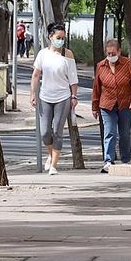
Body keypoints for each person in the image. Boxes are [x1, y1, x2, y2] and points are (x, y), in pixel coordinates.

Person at [29, 22, 78, 175]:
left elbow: (73, 79)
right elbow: (36, 75)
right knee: (45, 132)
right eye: (58, 37)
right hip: (45, 97)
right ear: (50, 37)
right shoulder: (43, 54)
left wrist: (74, 96)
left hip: (63, 97)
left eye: (63, 38)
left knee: (57, 130)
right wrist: (32, 94)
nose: (61, 41)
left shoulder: (67, 55)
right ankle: (51, 155)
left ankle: (54, 165)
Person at [91, 39, 131, 173]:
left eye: (113, 53)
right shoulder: (101, 66)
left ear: (119, 51)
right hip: (107, 104)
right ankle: (108, 160)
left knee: (125, 133)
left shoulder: (127, 63)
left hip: (125, 103)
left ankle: (126, 159)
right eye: (108, 53)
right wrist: (94, 106)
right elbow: (96, 87)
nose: (111, 56)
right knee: (110, 132)